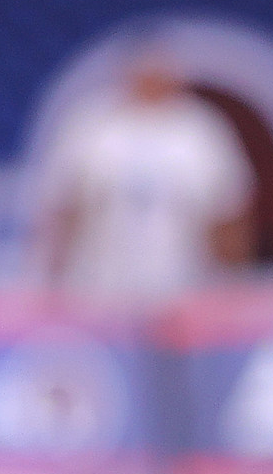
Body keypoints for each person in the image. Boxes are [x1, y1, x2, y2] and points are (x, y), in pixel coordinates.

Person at [37, 53, 255, 309]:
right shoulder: (91, 125)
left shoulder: (202, 131)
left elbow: (230, 212)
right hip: (97, 293)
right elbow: (65, 209)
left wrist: (233, 287)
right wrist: (52, 283)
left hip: (182, 292)